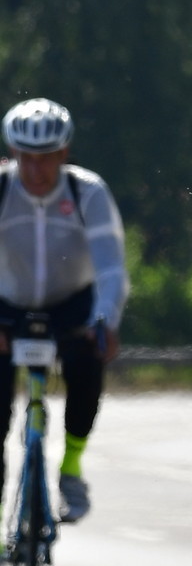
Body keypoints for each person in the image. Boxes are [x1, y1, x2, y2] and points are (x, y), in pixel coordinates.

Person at [0, 99, 127, 523]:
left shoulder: (87, 191)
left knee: (88, 361)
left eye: (46, 158)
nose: (35, 170)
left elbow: (110, 267)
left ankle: (71, 467)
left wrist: (105, 320)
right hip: (6, 306)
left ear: (64, 153)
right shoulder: (2, 188)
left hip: (71, 305)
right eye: (26, 158)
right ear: (13, 153)